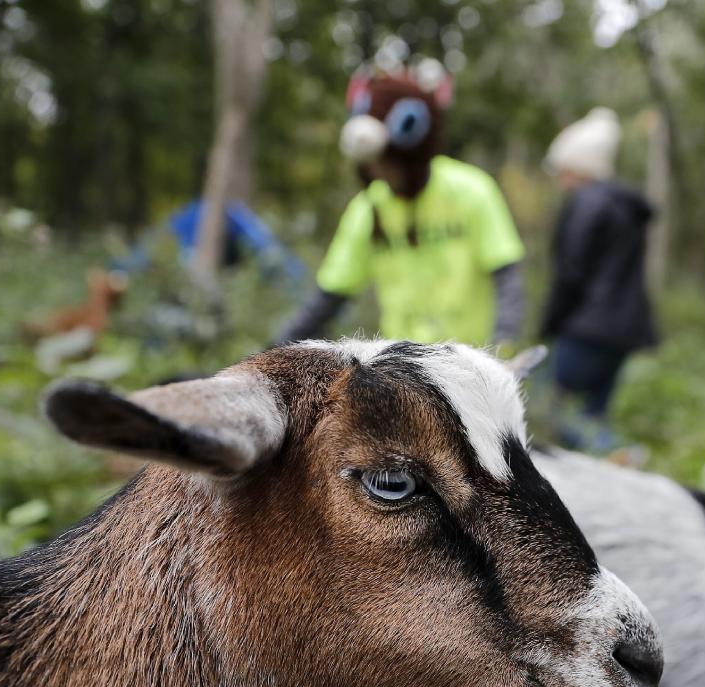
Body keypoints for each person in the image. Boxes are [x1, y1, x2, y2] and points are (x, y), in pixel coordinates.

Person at [279, 63, 526, 347]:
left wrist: (503, 347)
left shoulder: (472, 191)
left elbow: (507, 279)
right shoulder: (368, 208)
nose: (378, 172)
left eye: (387, 162)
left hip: (470, 365)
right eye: (371, 164)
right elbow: (331, 295)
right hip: (406, 371)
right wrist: (267, 355)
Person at [541, 108, 659, 453]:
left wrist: (550, 324)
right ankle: (605, 467)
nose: (561, 180)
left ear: (578, 168)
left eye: (563, 171)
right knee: (593, 415)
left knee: (549, 407)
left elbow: (571, 273)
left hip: (586, 328)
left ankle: (619, 454)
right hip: (622, 332)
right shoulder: (625, 208)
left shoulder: (587, 203)